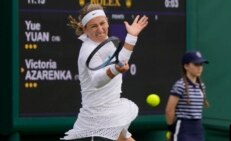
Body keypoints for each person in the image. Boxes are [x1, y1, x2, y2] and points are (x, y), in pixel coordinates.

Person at [61, 3, 148, 141]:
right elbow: (97, 80)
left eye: (102, 23)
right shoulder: (88, 50)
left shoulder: (105, 43)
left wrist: (132, 37)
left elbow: (121, 61)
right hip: (95, 125)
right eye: (94, 26)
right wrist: (115, 69)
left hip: (111, 115)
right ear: (85, 29)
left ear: (107, 22)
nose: (100, 29)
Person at [165, 50, 209, 141]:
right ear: (186, 66)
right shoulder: (180, 85)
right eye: (196, 64)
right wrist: (171, 128)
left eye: (201, 65)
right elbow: (169, 110)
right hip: (183, 129)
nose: (200, 68)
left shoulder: (201, 86)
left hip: (198, 129)